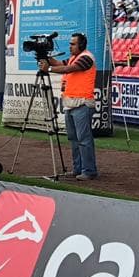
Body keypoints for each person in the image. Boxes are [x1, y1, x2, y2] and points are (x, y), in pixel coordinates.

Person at [45, 33, 99, 180]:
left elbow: (68, 69)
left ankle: (89, 170)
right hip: (71, 103)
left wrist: (48, 69)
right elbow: (59, 64)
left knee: (84, 139)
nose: (70, 46)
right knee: (74, 139)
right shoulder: (74, 57)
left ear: (81, 45)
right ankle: (78, 168)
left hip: (82, 103)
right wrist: (46, 56)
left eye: (73, 44)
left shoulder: (86, 58)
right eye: (70, 44)